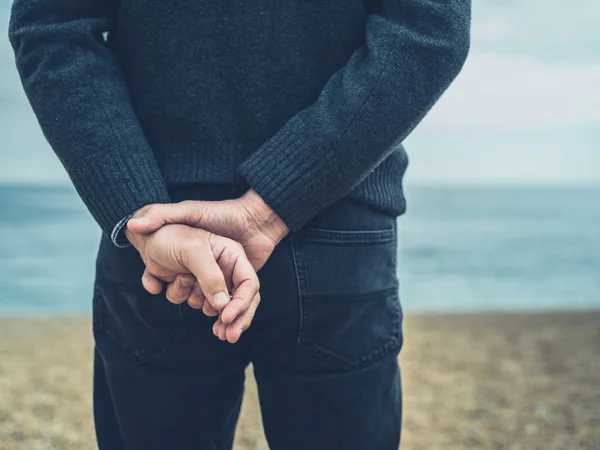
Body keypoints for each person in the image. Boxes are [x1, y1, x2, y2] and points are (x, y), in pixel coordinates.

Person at [8, 0, 470, 448]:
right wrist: (271, 203)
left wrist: (142, 211)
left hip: (165, 231)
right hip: (329, 225)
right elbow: (428, 28)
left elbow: (53, 29)